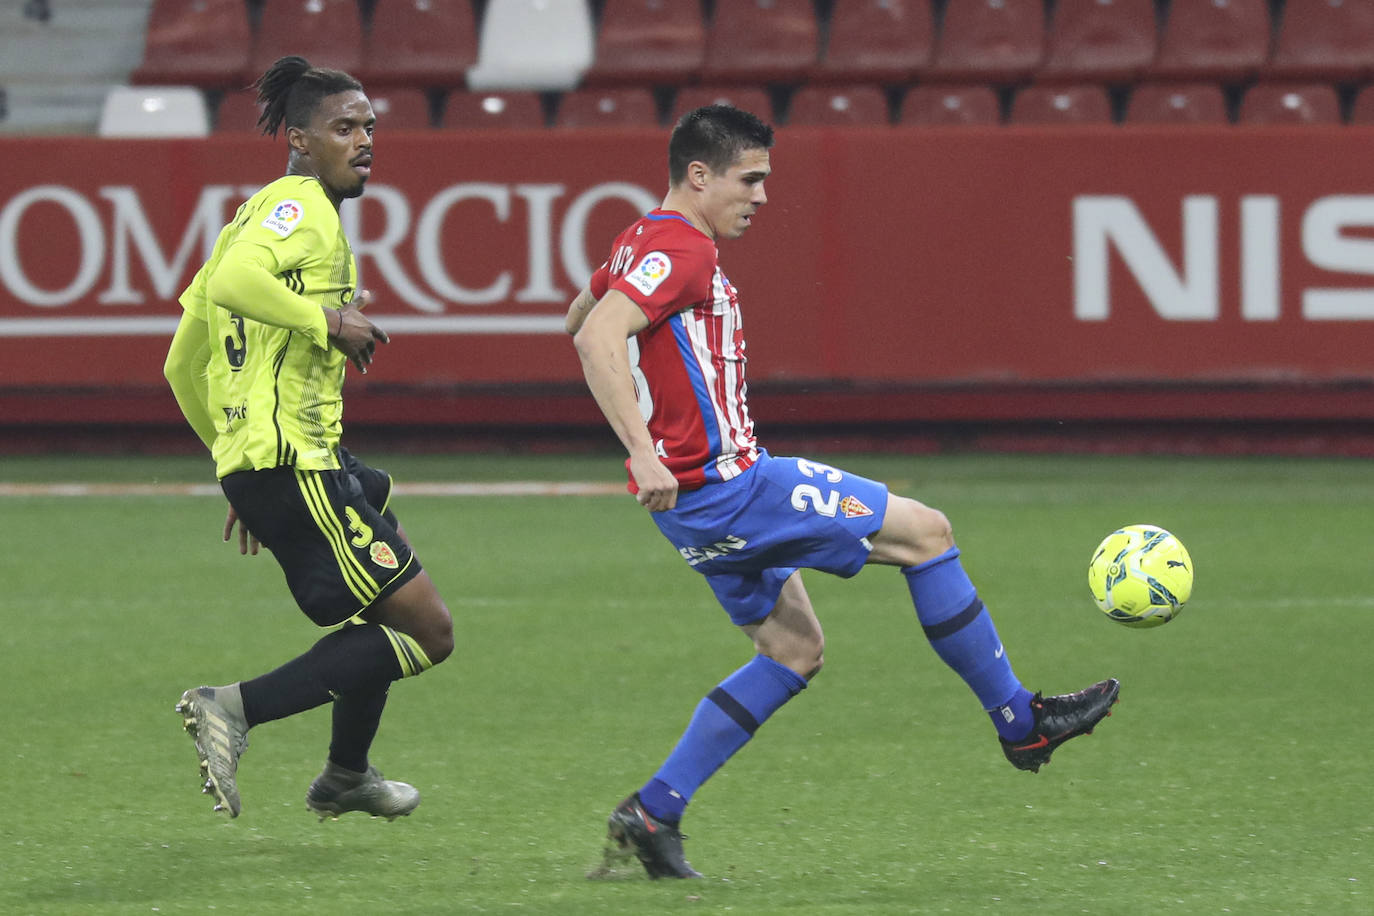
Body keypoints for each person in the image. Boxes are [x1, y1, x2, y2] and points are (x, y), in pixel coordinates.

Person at [566, 105, 1120, 879]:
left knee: (792, 651)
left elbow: (581, 314)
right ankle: (1021, 722)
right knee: (927, 532)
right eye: (749, 178)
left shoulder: (640, 237)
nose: (761, 195)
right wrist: (643, 451)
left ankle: (653, 812)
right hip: (733, 488)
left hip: (692, 513)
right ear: (699, 175)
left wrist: (652, 428)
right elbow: (596, 337)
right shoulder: (681, 246)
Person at [163, 56, 453, 821]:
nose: (363, 142)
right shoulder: (299, 210)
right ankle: (234, 708)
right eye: (343, 128)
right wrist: (329, 319)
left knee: (380, 514)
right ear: (298, 139)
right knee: (428, 631)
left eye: (369, 128)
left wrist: (235, 461)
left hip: (281, 461)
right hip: (294, 461)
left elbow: (179, 362)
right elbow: (234, 288)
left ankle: (347, 774)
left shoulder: (249, 217)